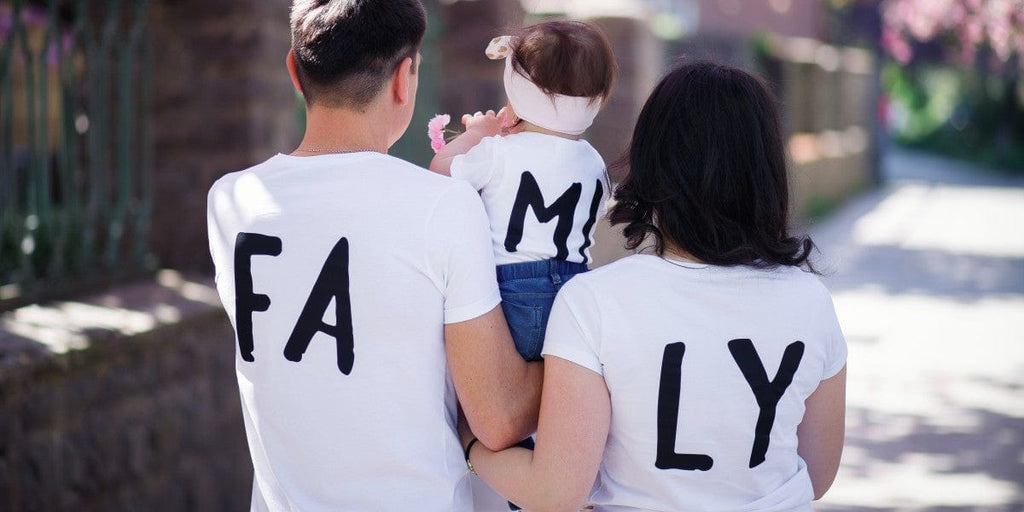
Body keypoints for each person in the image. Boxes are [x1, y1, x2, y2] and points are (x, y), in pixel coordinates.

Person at [459, 61, 848, 512]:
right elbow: (817, 475)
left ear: (652, 162)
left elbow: (555, 493)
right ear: (768, 171)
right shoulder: (810, 301)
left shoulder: (595, 303)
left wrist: (471, 445)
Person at [206, 1, 542, 510]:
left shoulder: (230, 201)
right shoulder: (443, 206)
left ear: (295, 72)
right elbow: (499, 416)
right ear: (405, 79)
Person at [429, 20, 616, 363]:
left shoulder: (499, 152)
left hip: (509, 291)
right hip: (574, 293)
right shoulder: (593, 162)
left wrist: (478, 134)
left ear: (517, 92)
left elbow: (441, 169)